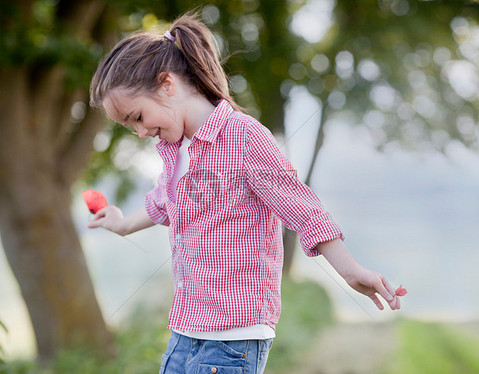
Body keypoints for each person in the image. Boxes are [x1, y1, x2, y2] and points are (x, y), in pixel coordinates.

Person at [87, 11, 401, 374]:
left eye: (137, 117)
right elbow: (164, 205)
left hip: (233, 339)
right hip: (185, 333)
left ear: (167, 84)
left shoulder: (243, 137)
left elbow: (304, 210)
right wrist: (122, 224)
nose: (140, 133)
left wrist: (350, 271)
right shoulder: (177, 151)